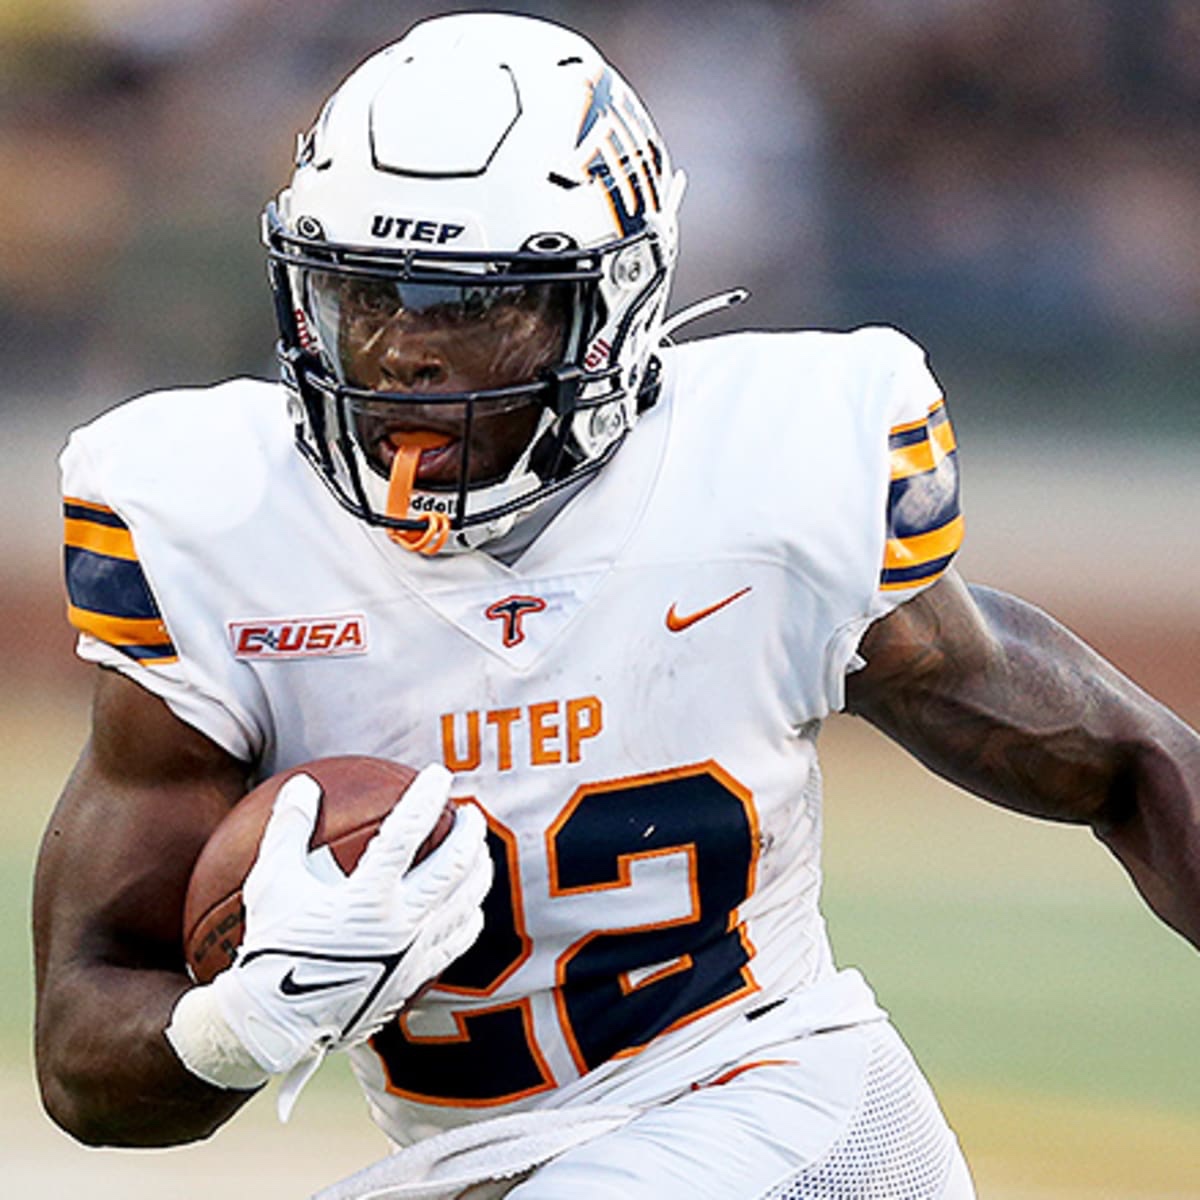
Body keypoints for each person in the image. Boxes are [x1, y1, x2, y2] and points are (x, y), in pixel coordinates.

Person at [33, 12, 1200, 1200]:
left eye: (466, 305)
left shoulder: (763, 481)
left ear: (610, 305)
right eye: (362, 295)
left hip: (780, 1116)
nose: (397, 354)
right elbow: (82, 1066)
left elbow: (1130, 764)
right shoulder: (220, 528)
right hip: (486, 1158)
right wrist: (244, 1021)